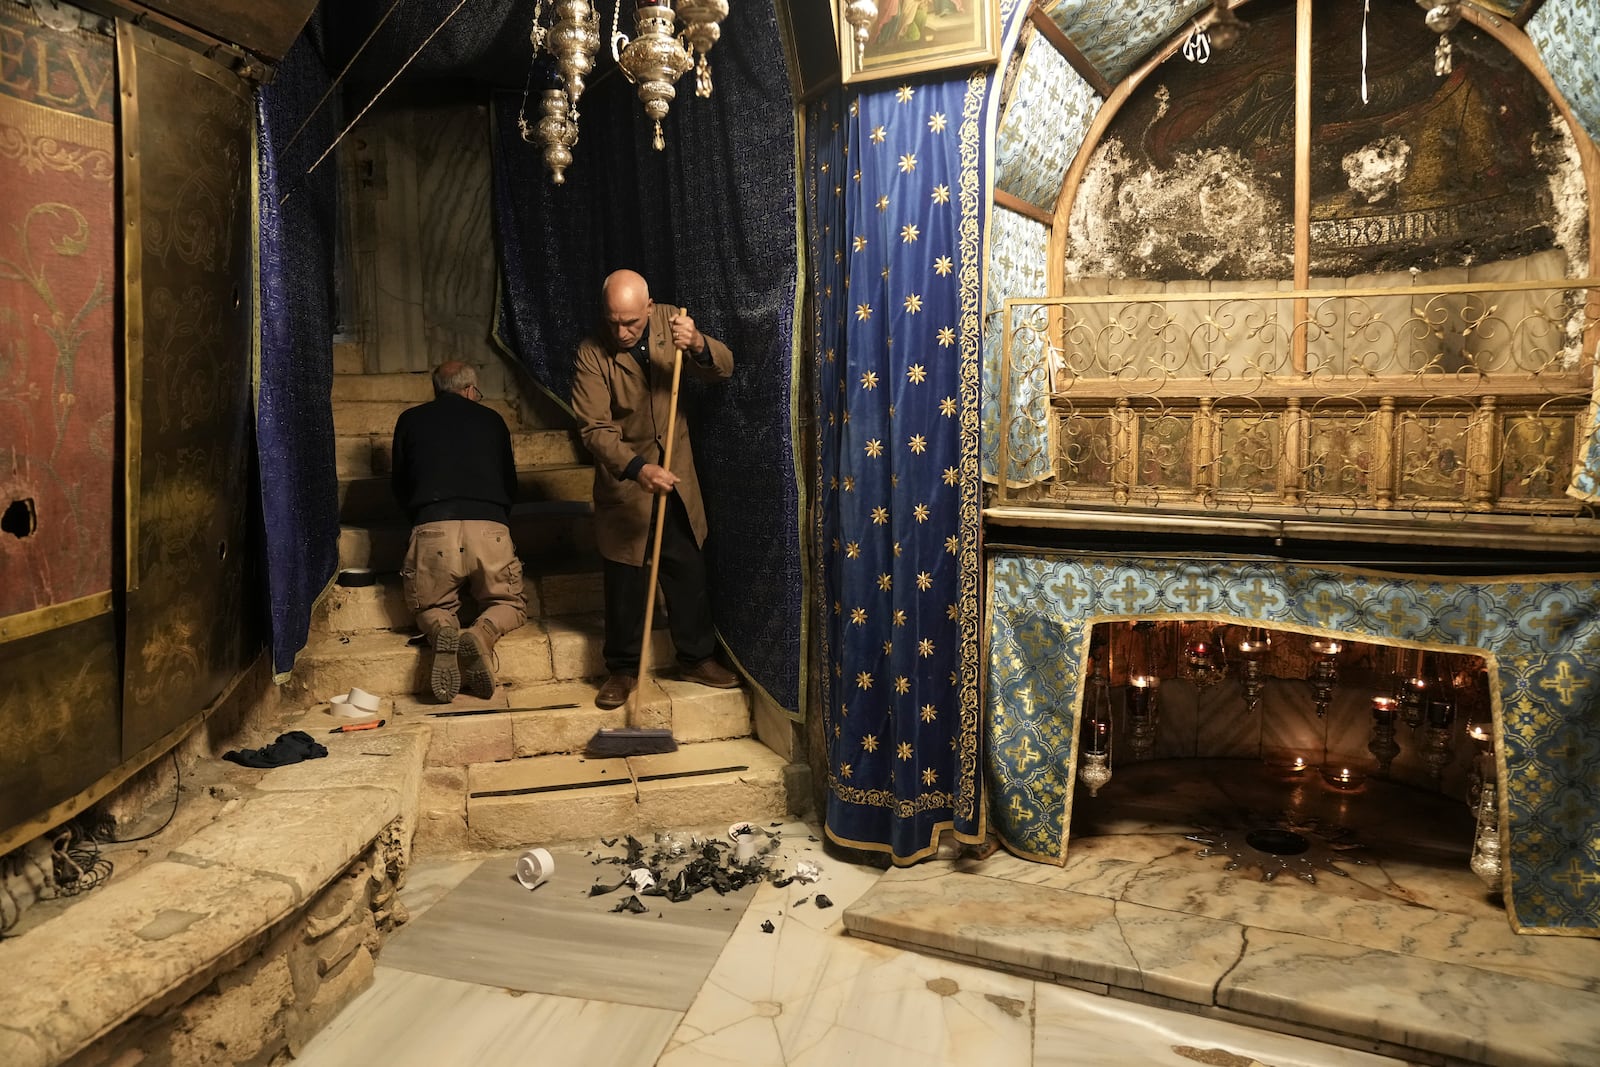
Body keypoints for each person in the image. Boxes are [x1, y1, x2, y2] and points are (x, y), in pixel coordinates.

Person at [571, 269, 740, 709]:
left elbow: (724, 369)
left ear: (648, 308)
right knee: (625, 580)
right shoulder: (592, 353)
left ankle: (696, 657)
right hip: (627, 481)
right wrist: (637, 467)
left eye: (631, 321)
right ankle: (622, 670)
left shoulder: (672, 321)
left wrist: (700, 344)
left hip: (676, 475)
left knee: (686, 569)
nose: (622, 331)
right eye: (613, 322)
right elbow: (593, 428)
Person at [391, 360, 526, 702]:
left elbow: (399, 485)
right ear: (469, 390)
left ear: (437, 389)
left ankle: (442, 630)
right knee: (509, 603)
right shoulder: (493, 420)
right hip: (489, 529)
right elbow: (510, 484)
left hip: (434, 527)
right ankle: (482, 634)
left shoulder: (410, 420)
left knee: (430, 606)